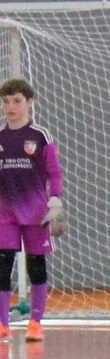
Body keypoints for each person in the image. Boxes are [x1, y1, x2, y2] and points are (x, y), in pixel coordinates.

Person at [0, 78, 63, 343]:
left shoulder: (40, 136)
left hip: (37, 213)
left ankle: (36, 323)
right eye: (6, 102)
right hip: (5, 213)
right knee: (2, 265)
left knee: (36, 266)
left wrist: (55, 200)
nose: (10, 107)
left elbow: (54, 172)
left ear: (29, 102)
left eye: (16, 101)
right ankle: (2, 324)